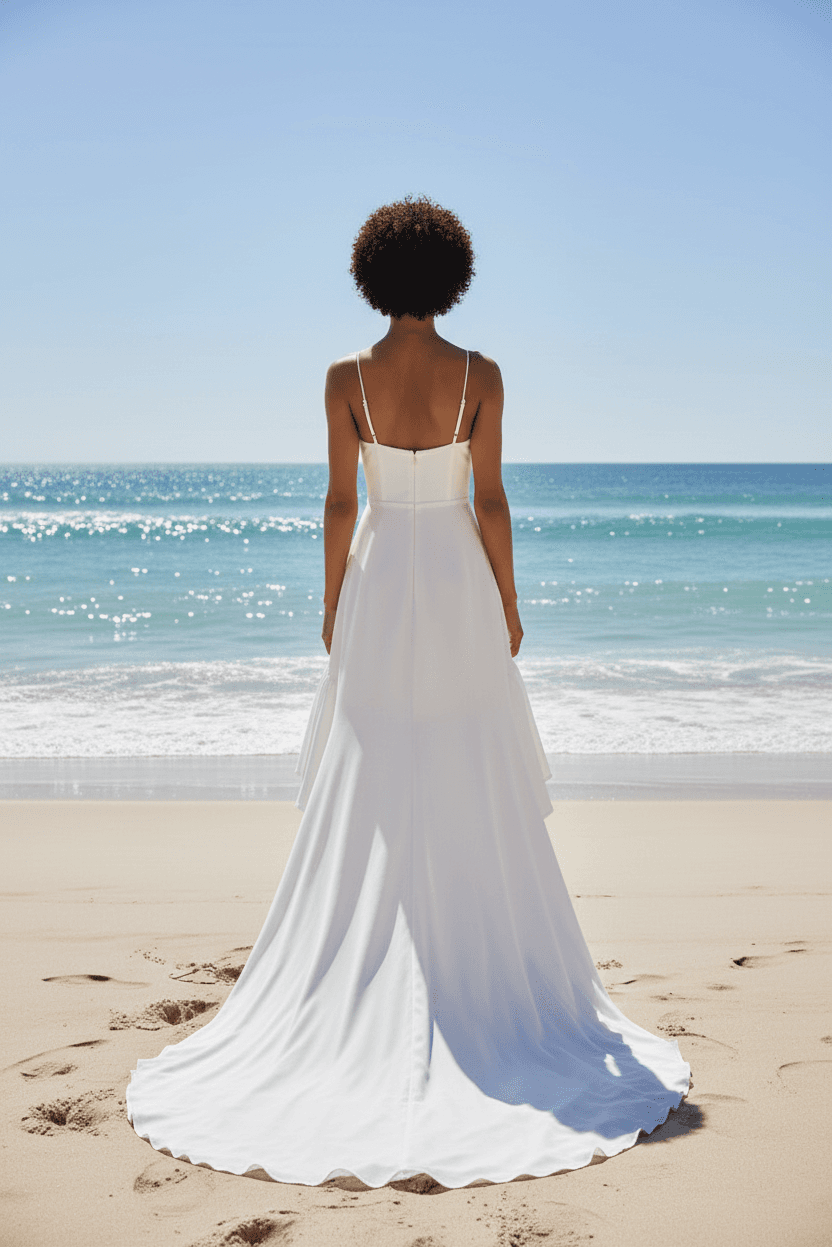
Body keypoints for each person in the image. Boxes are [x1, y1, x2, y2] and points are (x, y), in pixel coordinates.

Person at [127, 195, 690, 1188]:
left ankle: (374, 959)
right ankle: (481, 956)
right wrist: (510, 601)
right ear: (451, 275)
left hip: (385, 578)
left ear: (374, 277)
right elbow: (493, 500)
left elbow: (342, 499)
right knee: (465, 756)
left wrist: (334, 600)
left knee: (379, 764)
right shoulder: (483, 374)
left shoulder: (347, 377)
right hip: (457, 577)